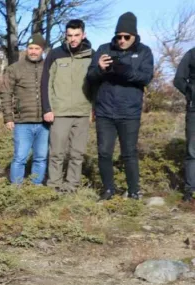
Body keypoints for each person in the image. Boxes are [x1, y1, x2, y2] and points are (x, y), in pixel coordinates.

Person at [87, 12, 154, 200]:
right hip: (105, 112)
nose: (122, 40)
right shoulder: (103, 49)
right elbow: (90, 77)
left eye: (126, 37)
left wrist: (126, 71)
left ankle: (133, 191)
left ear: (134, 35)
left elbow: (146, 77)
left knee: (129, 153)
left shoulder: (144, 52)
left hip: (129, 112)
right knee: (104, 152)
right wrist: (99, 68)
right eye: (119, 36)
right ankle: (108, 189)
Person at [42, 19, 95, 193]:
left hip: (82, 112)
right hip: (60, 112)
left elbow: (96, 84)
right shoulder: (55, 54)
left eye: (77, 35)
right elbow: (45, 83)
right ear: (65, 35)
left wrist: (93, 109)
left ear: (83, 34)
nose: (73, 39)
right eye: (69, 35)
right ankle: (54, 185)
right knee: (56, 153)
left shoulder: (92, 55)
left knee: (77, 154)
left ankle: (72, 185)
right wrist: (47, 108)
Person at [0, 33, 48, 185]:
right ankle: (17, 189)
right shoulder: (14, 69)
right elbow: (6, 93)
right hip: (22, 122)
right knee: (20, 157)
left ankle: (36, 187)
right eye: (30, 48)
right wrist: (8, 117)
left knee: (41, 157)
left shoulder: (49, 67)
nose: (33, 51)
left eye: (37, 48)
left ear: (43, 50)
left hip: (45, 122)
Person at [174, 46, 195, 203]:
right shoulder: (192, 53)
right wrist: (191, 94)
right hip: (194, 110)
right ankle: (190, 190)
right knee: (192, 151)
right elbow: (179, 79)